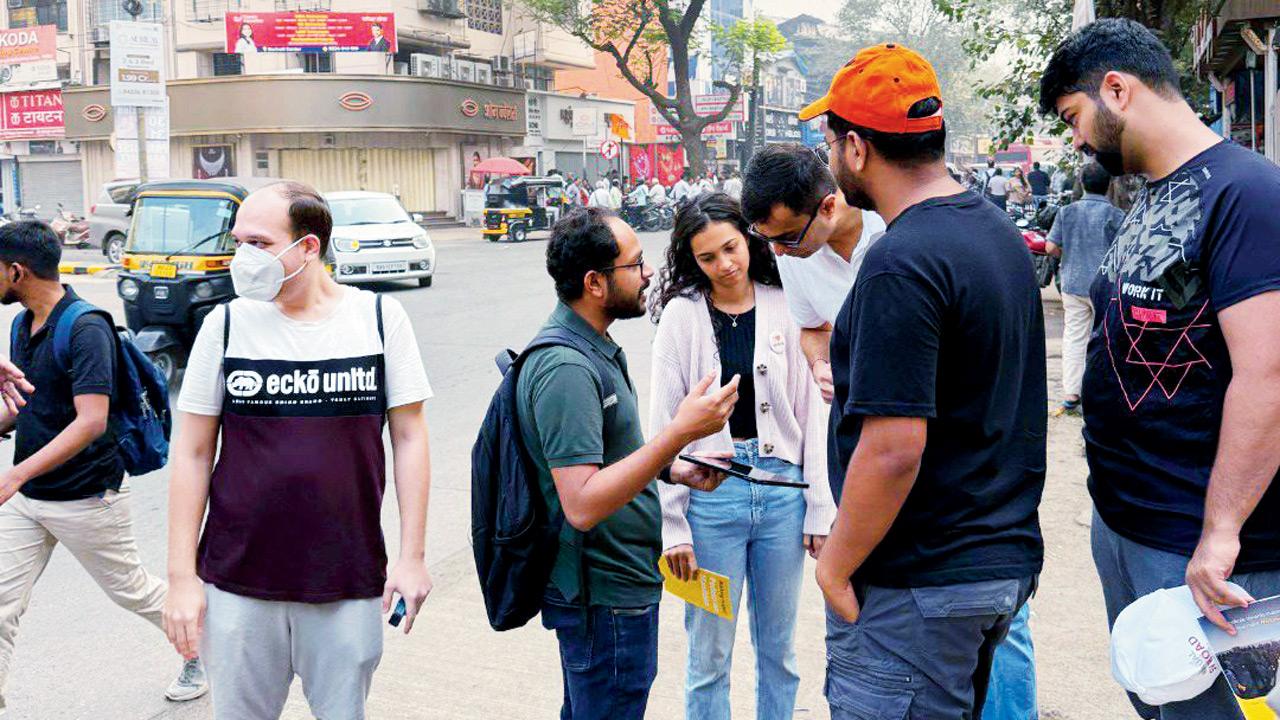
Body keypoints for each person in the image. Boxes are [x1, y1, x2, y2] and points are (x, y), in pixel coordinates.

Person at [1039, 18, 1280, 720]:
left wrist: (1221, 533)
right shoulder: (1156, 192)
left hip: (1206, 548)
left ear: (1117, 89)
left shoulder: (1249, 196)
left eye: (1074, 116)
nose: (1077, 139)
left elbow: (1267, 376)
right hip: (1131, 525)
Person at [804, 43, 1046, 719]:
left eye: (830, 141)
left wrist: (835, 564)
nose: (829, 159)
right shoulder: (996, 232)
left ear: (856, 149)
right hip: (993, 564)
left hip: (922, 580)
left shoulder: (900, 262)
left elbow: (894, 449)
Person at [162, 182, 434, 719]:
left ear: (308, 247)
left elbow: (409, 437)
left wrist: (413, 557)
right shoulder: (226, 325)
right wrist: (180, 578)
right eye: (238, 241)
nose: (243, 256)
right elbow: (192, 452)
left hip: (346, 580)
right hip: (237, 582)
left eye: (259, 243)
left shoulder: (378, 320)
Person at [520, 206, 740, 719]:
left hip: (622, 588)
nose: (648, 277)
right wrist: (681, 432)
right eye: (636, 266)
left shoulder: (592, 348)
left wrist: (673, 468)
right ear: (595, 283)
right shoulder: (567, 368)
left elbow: (612, 461)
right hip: (603, 599)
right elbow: (581, 503)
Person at [0, 221, 208, 713]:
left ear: (16, 271)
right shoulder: (21, 324)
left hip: (88, 497)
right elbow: (30, 405)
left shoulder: (87, 327)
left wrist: (16, 473)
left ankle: (206, 646)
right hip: (28, 503)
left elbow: (91, 421)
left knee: (133, 591)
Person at [648, 194, 835, 720]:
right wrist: (674, 526)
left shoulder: (786, 301)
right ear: (691, 260)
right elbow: (662, 430)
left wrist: (821, 507)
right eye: (707, 257)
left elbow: (813, 413)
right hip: (710, 504)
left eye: (731, 248)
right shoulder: (681, 317)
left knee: (779, 652)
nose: (725, 264)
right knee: (709, 656)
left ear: (747, 238)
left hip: (784, 500)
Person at [740, 143, 887, 404]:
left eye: (788, 237)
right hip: (859, 410)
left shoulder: (890, 223)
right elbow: (813, 328)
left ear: (828, 207)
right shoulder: (793, 253)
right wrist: (820, 365)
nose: (779, 251)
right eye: (768, 239)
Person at [1044, 162, 1123, 417]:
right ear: (1109, 184)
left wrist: (1069, 253)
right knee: (1105, 339)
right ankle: (1101, 392)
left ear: (1082, 184)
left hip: (1073, 284)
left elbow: (1050, 248)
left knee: (1075, 338)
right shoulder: (1115, 215)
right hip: (1105, 287)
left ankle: (1071, 394)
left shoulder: (1067, 212)